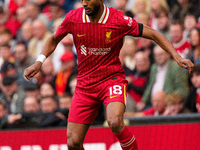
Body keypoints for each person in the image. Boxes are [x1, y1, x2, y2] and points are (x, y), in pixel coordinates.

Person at [24, 1, 194, 150]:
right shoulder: (73, 18)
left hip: (111, 80)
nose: (84, 3)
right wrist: (39, 61)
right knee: (73, 142)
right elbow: (54, 39)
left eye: (88, 0)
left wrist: (177, 56)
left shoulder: (117, 19)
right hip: (85, 85)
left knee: (115, 121)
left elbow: (154, 33)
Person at [137, 45, 190, 111]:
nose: (158, 57)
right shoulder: (154, 67)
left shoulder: (176, 67)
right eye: (156, 55)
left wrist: (167, 99)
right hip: (153, 104)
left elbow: (183, 90)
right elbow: (150, 86)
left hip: (168, 105)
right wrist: (143, 101)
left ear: (168, 54)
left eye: (161, 54)